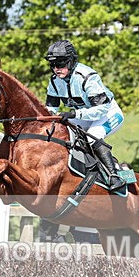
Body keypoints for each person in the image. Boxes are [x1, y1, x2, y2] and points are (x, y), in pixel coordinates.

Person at [44, 40, 125, 191]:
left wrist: (74, 113)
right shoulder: (54, 81)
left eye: (60, 64)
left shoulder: (86, 76)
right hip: (84, 116)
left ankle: (114, 175)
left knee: (93, 135)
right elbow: (50, 108)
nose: (56, 69)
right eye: (53, 65)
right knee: (63, 131)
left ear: (71, 61)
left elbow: (101, 108)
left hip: (108, 113)